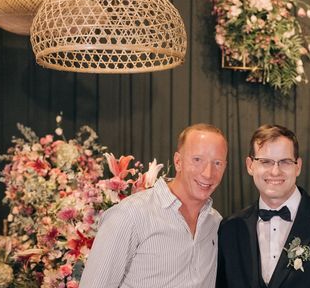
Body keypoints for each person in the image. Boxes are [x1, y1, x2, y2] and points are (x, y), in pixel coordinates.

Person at [216, 124, 310, 288]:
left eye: (285, 162)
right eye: (266, 161)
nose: (275, 171)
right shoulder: (230, 228)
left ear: (298, 166)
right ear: (250, 165)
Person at [79, 123, 228, 288]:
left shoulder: (215, 223)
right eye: (197, 160)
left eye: (217, 163)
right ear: (178, 162)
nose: (207, 173)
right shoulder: (129, 215)